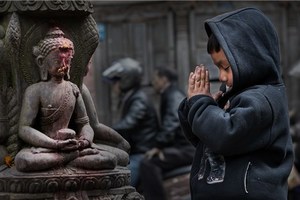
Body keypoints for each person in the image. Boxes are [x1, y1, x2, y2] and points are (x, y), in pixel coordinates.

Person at [178, 7, 294, 200]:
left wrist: (201, 104)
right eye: (218, 68)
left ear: (252, 57)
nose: (221, 77)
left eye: (226, 67)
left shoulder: (263, 100)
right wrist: (193, 104)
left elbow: (225, 135)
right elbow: (203, 137)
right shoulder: (232, 93)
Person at [14, 27, 117, 172]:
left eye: (67, 61)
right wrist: (54, 144)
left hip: (72, 146)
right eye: (58, 61)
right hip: (46, 147)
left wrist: (85, 140)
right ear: (41, 62)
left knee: (110, 159)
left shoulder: (73, 88)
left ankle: (66, 158)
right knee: (23, 161)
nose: (63, 65)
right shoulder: (35, 90)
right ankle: (68, 159)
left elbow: (85, 124)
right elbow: (24, 129)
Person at [139, 67, 195, 200]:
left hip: (186, 149)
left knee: (148, 163)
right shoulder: (170, 93)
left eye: (155, 79)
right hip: (182, 147)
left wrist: (158, 146)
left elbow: (172, 122)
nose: (153, 83)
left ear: (163, 79)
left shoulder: (173, 95)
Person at [102, 58, 159, 187]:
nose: (114, 85)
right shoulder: (130, 97)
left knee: (120, 186)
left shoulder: (139, 99)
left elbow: (128, 123)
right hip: (132, 151)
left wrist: (104, 132)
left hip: (141, 153)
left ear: (126, 81)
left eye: (116, 80)